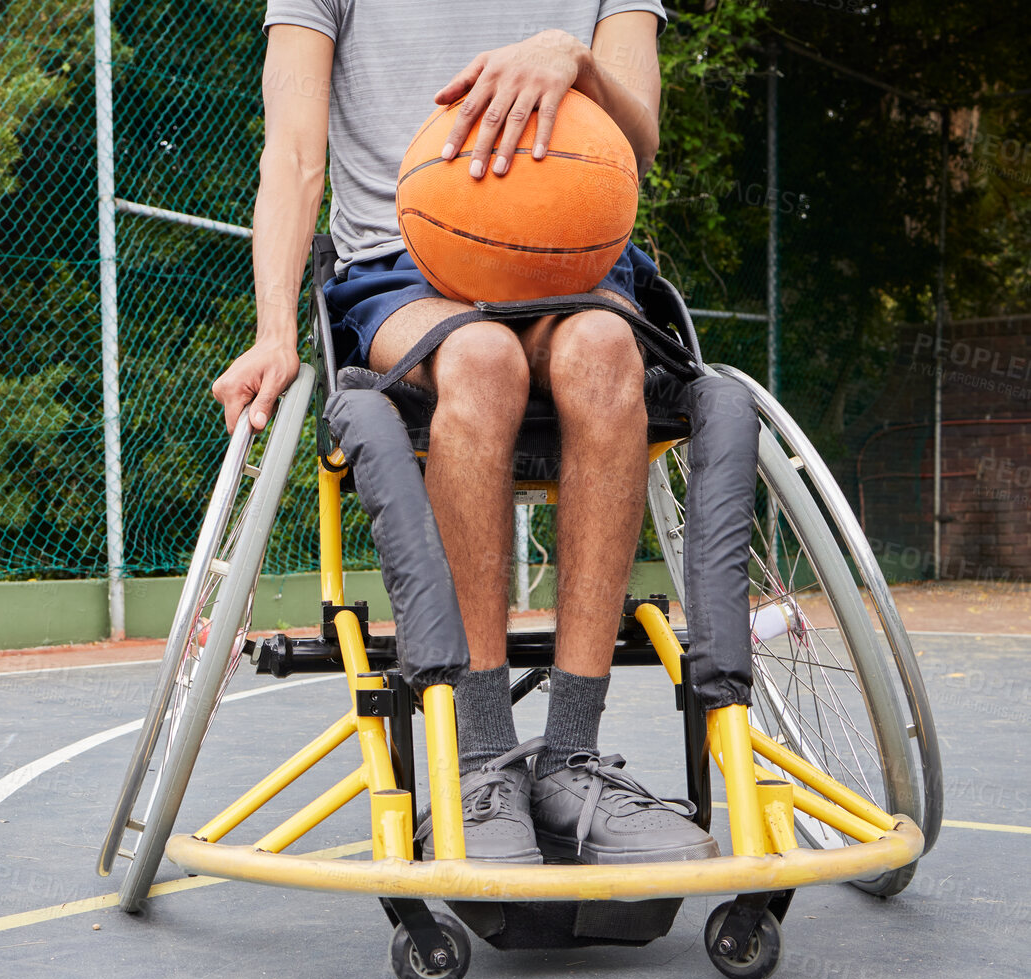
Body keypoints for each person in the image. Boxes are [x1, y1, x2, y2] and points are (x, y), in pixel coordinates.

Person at [212, 1, 718, 866]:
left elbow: (639, 138)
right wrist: (273, 330)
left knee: (604, 350)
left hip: (576, 256)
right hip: (405, 264)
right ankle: (481, 758)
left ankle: (571, 758)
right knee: (482, 362)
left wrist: (574, 61)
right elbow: (294, 153)